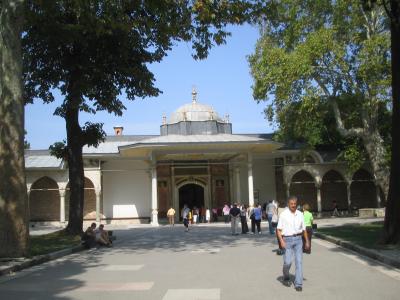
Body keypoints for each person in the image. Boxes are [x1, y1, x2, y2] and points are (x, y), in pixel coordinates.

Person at [276, 196, 310, 292]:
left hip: (299, 240)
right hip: (287, 240)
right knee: (287, 262)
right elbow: (278, 230)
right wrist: (282, 241)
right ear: (288, 204)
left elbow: (304, 229)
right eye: (291, 204)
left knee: (299, 262)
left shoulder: (300, 214)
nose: (293, 205)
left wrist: (307, 241)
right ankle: (286, 275)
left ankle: (298, 283)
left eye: (295, 204)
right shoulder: (283, 214)